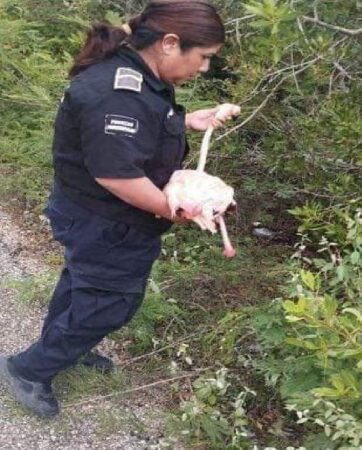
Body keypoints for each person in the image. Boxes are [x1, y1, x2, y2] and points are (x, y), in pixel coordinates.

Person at [0, 0, 240, 418]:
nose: (203, 68)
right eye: (203, 57)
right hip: (105, 220)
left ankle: (64, 348)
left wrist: (189, 121)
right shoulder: (117, 91)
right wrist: (179, 210)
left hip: (91, 214)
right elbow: (118, 176)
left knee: (83, 285)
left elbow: (137, 127)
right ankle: (29, 370)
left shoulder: (137, 76)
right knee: (110, 303)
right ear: (170, 43)